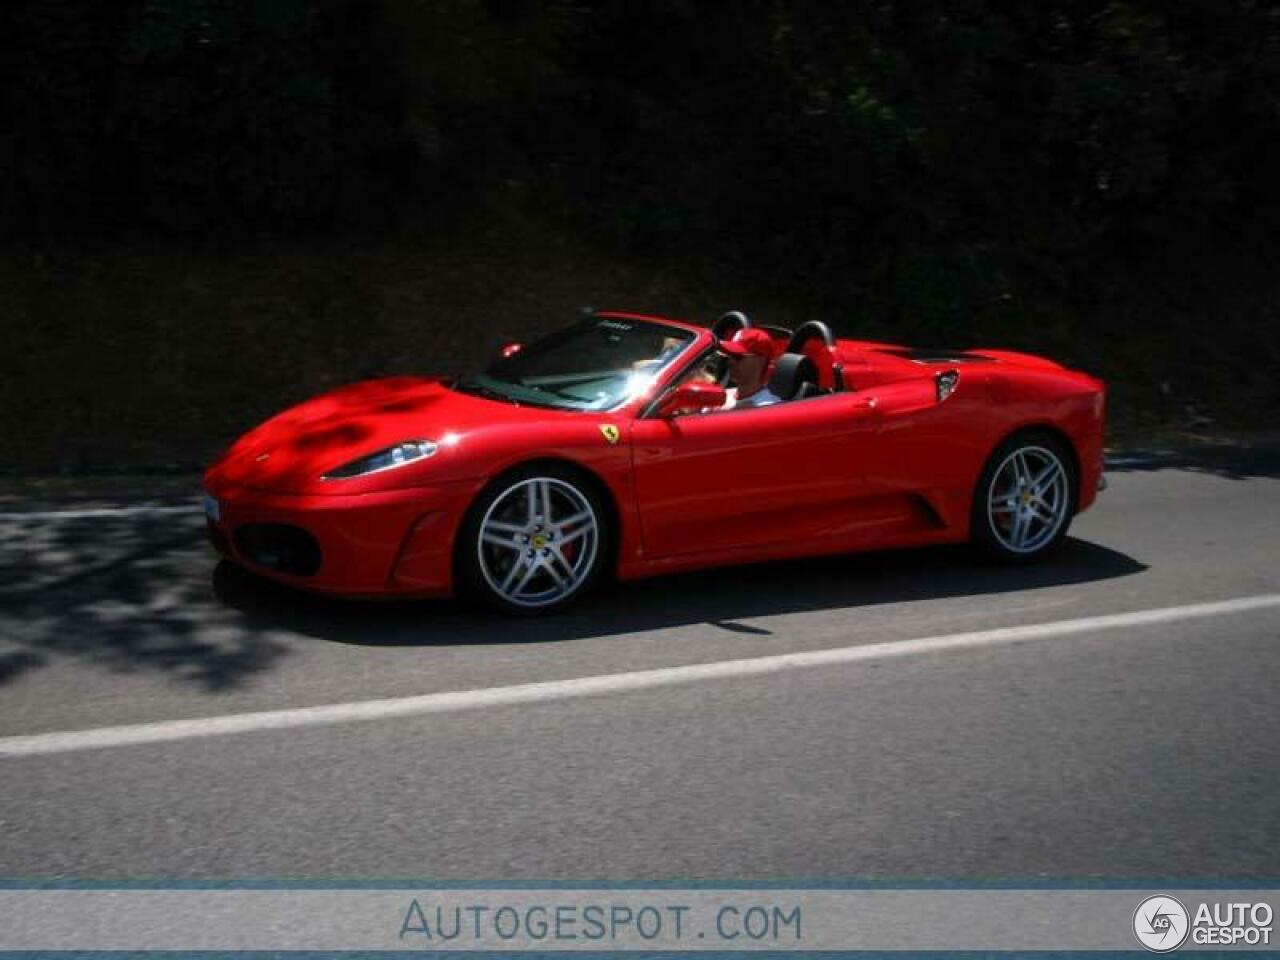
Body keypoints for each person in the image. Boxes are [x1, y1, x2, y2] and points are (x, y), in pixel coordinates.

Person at [720, 327, 781, 408]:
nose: (731, 362)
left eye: (737, 357)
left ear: (761, 361)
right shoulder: (723, 395)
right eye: (729, 355)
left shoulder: (770, 408)